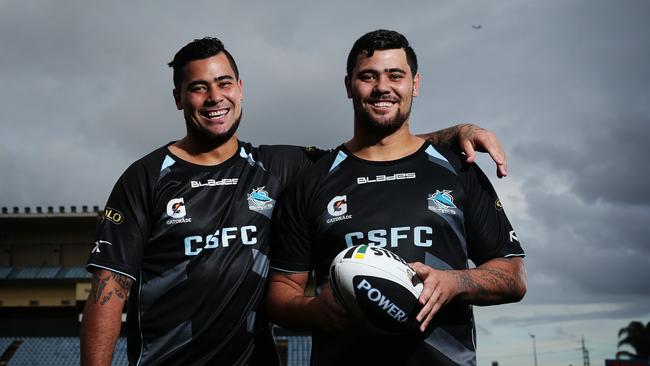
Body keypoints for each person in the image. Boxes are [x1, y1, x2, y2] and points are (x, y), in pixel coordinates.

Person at [80, 36, 510, 366]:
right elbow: (109, 289)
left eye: (224, 83)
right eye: (198, 87)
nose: (215, 98)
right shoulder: (145, 178)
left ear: (241, 89)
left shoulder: (281, 165)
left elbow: (375, 150)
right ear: (178, 98)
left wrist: (451, 135)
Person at [265, 29, 527, 366]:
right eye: (368, 76)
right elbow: (280, 292)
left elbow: (513, 276)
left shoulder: (457, 170)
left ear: (414, 84)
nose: (382, 87)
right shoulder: (313, 181)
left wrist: (455, 282)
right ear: (349, 86)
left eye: (395, 75)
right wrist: (315, 310)